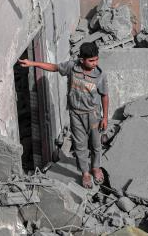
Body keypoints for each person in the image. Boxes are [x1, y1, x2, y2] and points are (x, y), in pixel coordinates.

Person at [18, 42, 109, 188]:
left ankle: (96, 168)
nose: (94, 63)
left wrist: (105, 117)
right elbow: (54, 68)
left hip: (93, 114)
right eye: (91, 60)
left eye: (96, 59)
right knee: (80, 145)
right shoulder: (72, 67)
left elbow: (105, 96)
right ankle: (85, 173)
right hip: (76, 114)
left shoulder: (100, 75)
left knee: (96, 144)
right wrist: (32, 63)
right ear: (82, 59)